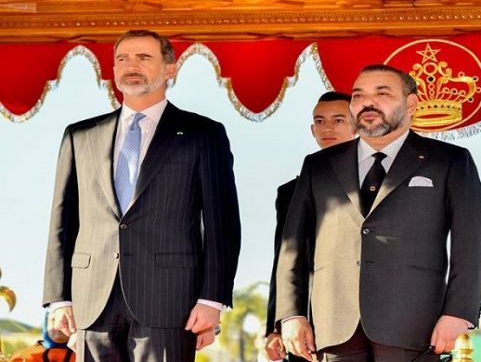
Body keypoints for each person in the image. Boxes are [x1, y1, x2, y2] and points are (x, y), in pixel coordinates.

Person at [42, 29, 241, 362]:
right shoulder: (80, 136)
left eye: (143, 57)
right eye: (122, 59)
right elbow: (61, 222)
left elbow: (222, 224)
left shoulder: (203, 134)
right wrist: (59, 298)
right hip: (92, 301)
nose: (131, 66)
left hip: (170, 301)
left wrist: (212, 299)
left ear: (170, 68)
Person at [276, 64, 481, 362]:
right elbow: (292, 247)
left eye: (382, 94)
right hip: (334, 327)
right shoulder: (318, 166)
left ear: (411, 104)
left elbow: (472, 242)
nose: (368, 103)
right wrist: (291, 314)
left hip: (415, 325)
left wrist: (458, 312)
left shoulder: (449, 161)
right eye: (358, 96)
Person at [262, 91, 356, 361]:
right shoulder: (291, 191)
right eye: (320, 121)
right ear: (312, 129)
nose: (327, 128)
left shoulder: (383, 181)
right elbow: (285, 257)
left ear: (358, 126)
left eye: (338, 120)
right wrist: (277, 324)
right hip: (310, 318)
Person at [9, 310, 76, 362]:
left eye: (65, 320)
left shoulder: (80, 355)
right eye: (53, 319)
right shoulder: (23, 356)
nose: (58, 325)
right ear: (46, 323)